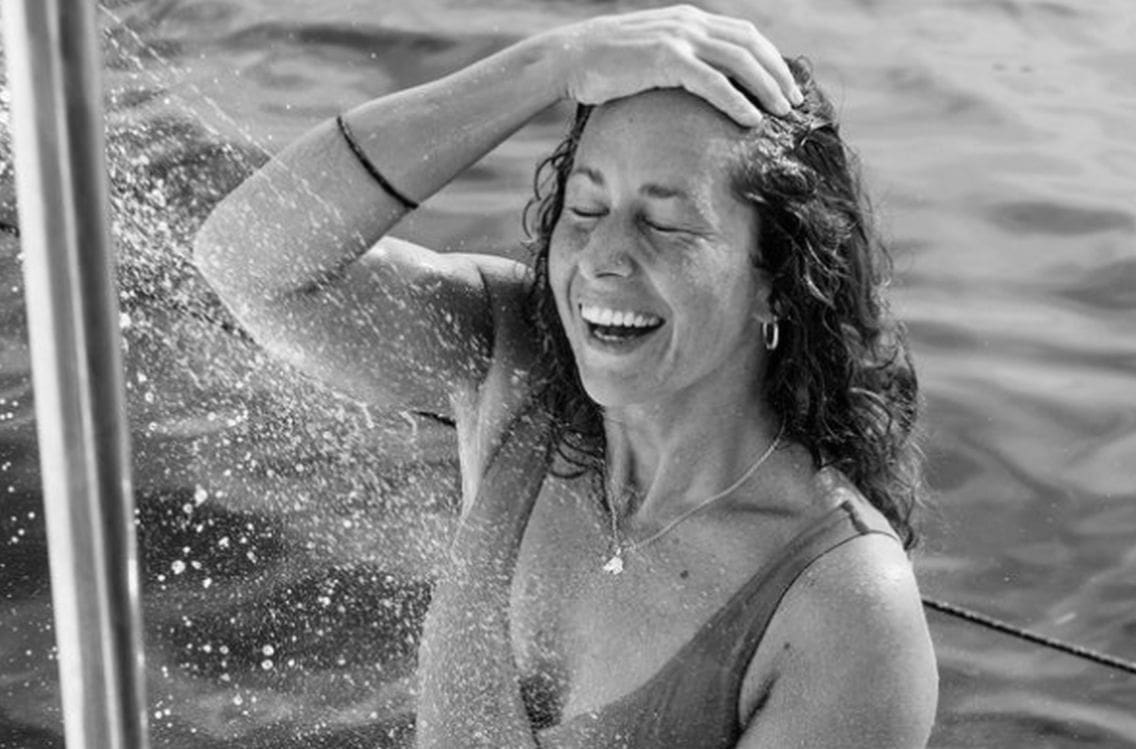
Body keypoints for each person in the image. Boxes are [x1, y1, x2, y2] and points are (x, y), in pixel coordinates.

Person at [194, 5, 938, 747]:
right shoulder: (514, 363)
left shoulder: (841, 608)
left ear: (778, 279)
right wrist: (550, 66)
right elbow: (247, 261)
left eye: (665, 223)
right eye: (585, 208)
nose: (601, 258)